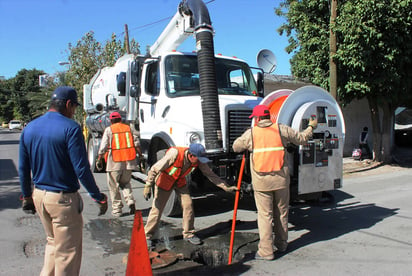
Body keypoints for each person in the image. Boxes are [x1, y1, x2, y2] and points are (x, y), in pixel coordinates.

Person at [19, 86, 108, 275]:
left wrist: (27, 196)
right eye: (74, 107)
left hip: (39, 196)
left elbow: (23, 168)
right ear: (68, 104)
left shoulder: (30, 128)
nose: (74, 111)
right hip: (62, 201)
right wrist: (97, 196)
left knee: (53, 244)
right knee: (67, 254)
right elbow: (82, 169)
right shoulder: (71, 128)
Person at [232, 105, 317, 261]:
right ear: (268, 117)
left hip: (261, 182)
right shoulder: (281, 129)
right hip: (281, 181)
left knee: (265, 216)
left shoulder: (251, 133)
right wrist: (311, 127)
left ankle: (266, 251)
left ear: (257, 119)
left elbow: (236, 146)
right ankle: (282, 244)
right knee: (282, 213)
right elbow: (302, 139)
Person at [143, 143, 237, 247]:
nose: (200, 161)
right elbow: (154, 169)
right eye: (198, 158)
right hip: (165, 181)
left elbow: (210, 174)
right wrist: (148, 185)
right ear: (191, 156)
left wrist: (226, 187)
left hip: (179, 182)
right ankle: (147, 236)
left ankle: (189, 234)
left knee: (188, 205)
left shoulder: (199, 160)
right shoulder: (174, 154)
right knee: (157, 209)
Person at [97, 111, 142, 217]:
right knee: (125, 183)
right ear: (120, 119)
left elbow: (103, 146)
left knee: (114, 186)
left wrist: (99, 158)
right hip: (128, 162)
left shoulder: (109, 130)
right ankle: (130, 201)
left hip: (115, 162)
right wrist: (140, 156)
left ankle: (117, 210)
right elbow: (137, 143)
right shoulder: (128, 128)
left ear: (111, 121)